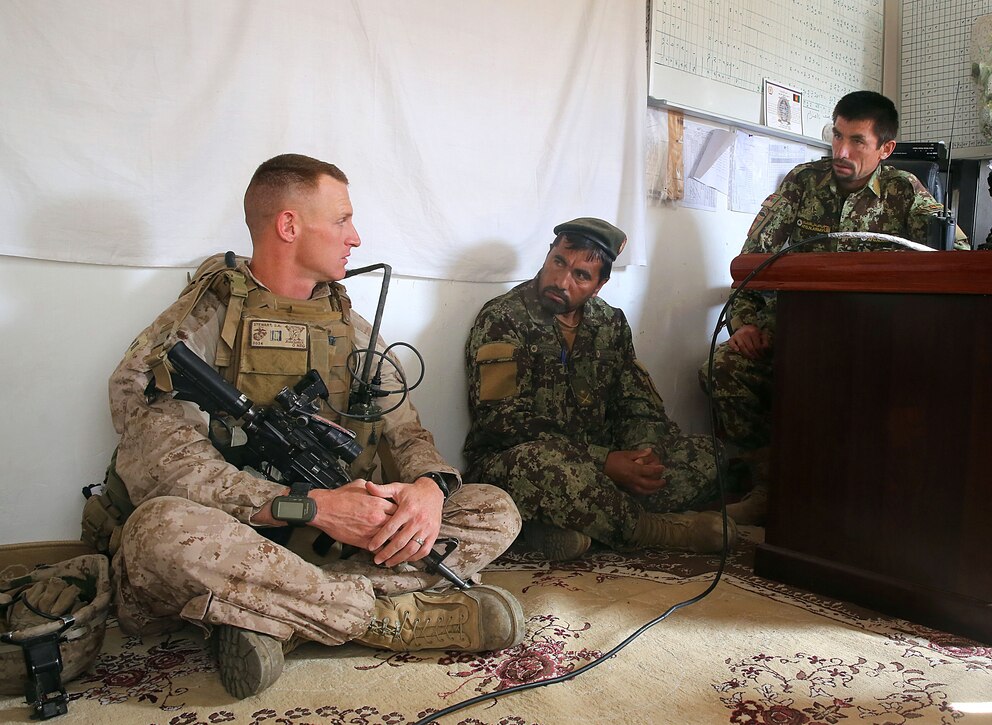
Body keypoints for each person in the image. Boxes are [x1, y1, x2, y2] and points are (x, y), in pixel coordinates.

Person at [104, 154, 525, 700]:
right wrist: (310, 506)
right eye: (342, 219)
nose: (356, 237)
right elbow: (166, 466)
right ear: (289, 225)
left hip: (329, 544)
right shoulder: (204, 323)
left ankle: (273, 615)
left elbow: (407, 434)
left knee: (495, 510)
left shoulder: (351, 328)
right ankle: (386, 619)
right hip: (242, 536)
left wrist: (428, 488)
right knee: (158, 531)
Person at [699, 91, 967, 526]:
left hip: (874, 339)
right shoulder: (802, 182)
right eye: (837, 136)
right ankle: (772, 482)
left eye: (857, 141)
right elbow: (751, 262)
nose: (841, 152)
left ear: (885, 148)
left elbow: (955, 259)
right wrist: (743, 323)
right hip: (796, 328)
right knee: (723, 368)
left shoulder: (903, 192)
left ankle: (859, 496)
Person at [463, 217, 735, 561]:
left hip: (602, 465)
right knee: (543, 468)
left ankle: (563, 524)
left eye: (580, 275)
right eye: (558, 262)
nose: (561, 281)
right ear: (548, 254)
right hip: (521, 462)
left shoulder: (610, 323)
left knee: (709, 454)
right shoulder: (503, 318)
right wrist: (604, 461)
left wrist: (643, 455)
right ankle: (659, 529)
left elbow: (636, 403)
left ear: (599, 285)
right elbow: (501, 422)